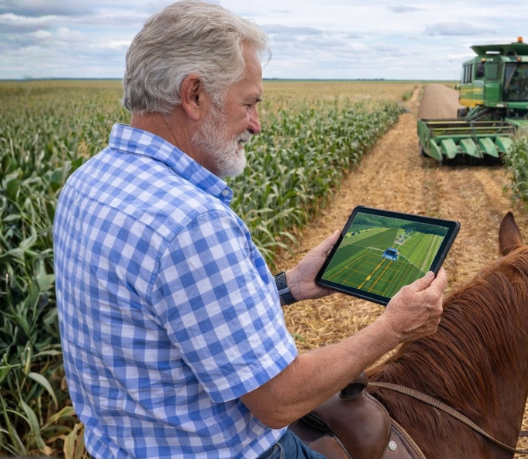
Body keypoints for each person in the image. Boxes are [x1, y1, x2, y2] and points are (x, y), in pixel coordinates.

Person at [52, 2, 447, 458]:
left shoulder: (88, 181)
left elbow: (169, 317)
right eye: (250, 102)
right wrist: (393, 327)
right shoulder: (191, 222)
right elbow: (279, 400)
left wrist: (290, 286)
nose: (256, 124)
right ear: (194, 95)